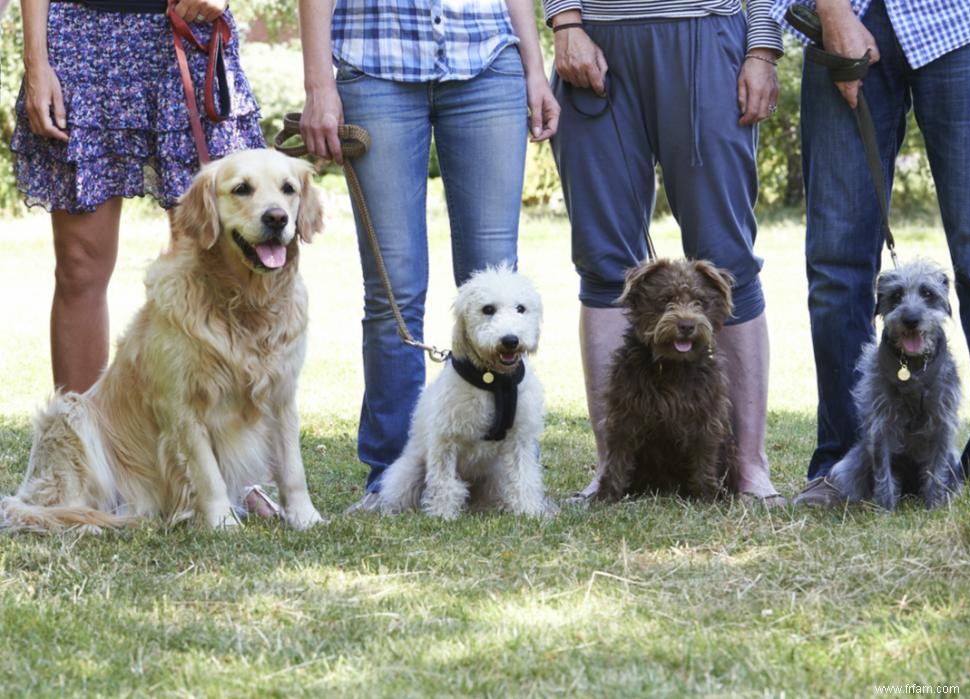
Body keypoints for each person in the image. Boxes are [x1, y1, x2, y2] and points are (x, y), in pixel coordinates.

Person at [11, 0, 273, 515]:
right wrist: (36, 62)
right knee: (80, 264)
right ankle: (84, 465)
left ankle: (236, 476)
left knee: (211, 260)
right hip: (81, 35)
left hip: (184, 32)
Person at [298, 0, 560, 512]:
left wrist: (534, 68)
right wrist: (318, 84)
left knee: (496, 283)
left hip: (487, 59)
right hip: (375, 61)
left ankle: (509, 479)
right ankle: (391, 477)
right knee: (393, 292)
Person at [543, 0, 786, 505]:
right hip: (595, 37)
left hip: (704, 34)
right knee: (604, 260)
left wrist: (761, 48)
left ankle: (748, 466)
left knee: (727, 256)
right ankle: (613, 468)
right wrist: (565, 21)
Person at [767, 0, 970, 502]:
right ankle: (846, 465)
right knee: (837, 262)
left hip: (961, 19)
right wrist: (833, 10)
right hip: (845, 12)